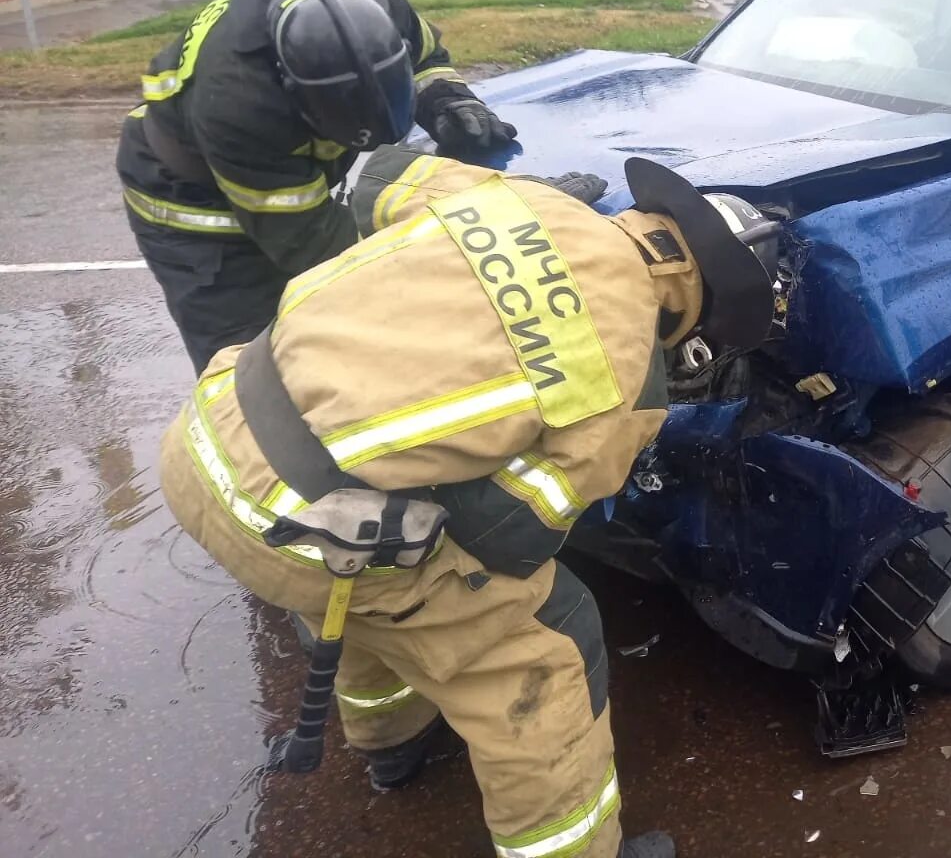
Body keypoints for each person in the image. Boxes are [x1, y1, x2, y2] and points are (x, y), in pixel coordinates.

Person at [158, 145, 781, 858]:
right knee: (544, 639)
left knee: (375, 578)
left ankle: (392, 741)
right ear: (695, 311)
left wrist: (506, 202)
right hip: (299, 525)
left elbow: (378, 180)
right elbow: (513, 534)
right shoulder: (631, 378)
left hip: (207, 435)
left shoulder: (525, 200)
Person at [117, 0, 520, 373]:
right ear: (295, 97)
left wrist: (448, 99)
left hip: (274, 172)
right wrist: (471, 245)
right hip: (194, 204)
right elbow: (321, 250)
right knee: (255, 368)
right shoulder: (239, 103)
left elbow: (426, 57)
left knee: (343, 339)